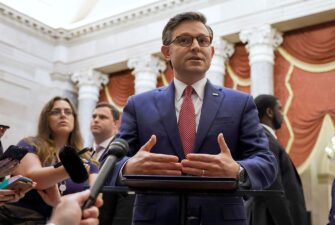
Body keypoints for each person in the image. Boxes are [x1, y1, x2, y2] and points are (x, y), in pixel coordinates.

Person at [109, 12, 277, 225]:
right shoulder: (138, 105)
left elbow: (266, 162)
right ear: (166, 51)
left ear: (212, 51)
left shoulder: (240, 103)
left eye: (203, 40)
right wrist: (128, 168)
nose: (196, 46)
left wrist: (238, 171)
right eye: (184, 40)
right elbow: (109, 163)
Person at [0, 96, 99, 224]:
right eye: (56, 112)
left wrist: (58, 203)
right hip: (20, 219)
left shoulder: (89, 160)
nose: (63, 115)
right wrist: (73, 167)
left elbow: (94, 196)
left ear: (74, 119)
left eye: (68, 112)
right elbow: (33, 177)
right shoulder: (30, 144)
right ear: (46, 119)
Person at [247, 94, 308, 225]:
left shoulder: (264, 138)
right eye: (279, 109)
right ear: (269, 112)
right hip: (270, 219)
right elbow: (273, 189)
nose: (283, 114)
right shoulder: (264, 139)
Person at [90, 102, 133, 225]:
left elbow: (125, 197)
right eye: (94, 117)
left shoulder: (124, 153)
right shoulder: (85, 152)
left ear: (115, 124)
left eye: (102, 117)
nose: (96, 120)